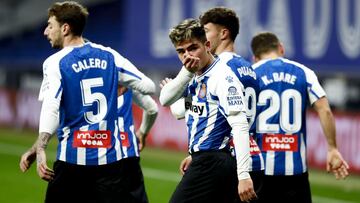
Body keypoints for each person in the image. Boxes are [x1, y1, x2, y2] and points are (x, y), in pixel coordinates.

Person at [19, 1, 155, 202]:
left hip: (72, 163)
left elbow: (51, 108)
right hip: (111, 165)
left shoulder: (55, 62)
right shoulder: (110, 56)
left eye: (50, 25)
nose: (46, 31)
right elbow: (149, 86)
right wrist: (121, 81)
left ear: (65, 28)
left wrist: (39, 148)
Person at [159, 18, 256, 203]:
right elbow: (178, 107)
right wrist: (194, 154)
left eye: (192, 48)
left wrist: (243, 175)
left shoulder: (222, 78)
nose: (187, 56)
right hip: (205, 159)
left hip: (214, 162)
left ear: (207, 45)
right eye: (181, 51)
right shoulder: (196, 76)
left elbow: (240, 125)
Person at [250, 32, 349, 203]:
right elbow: (324, 110)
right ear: (281, 48)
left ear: (255, 57)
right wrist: (332, 148)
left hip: (259, 170)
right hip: (295, 174)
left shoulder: (250, 74)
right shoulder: (304, 72)